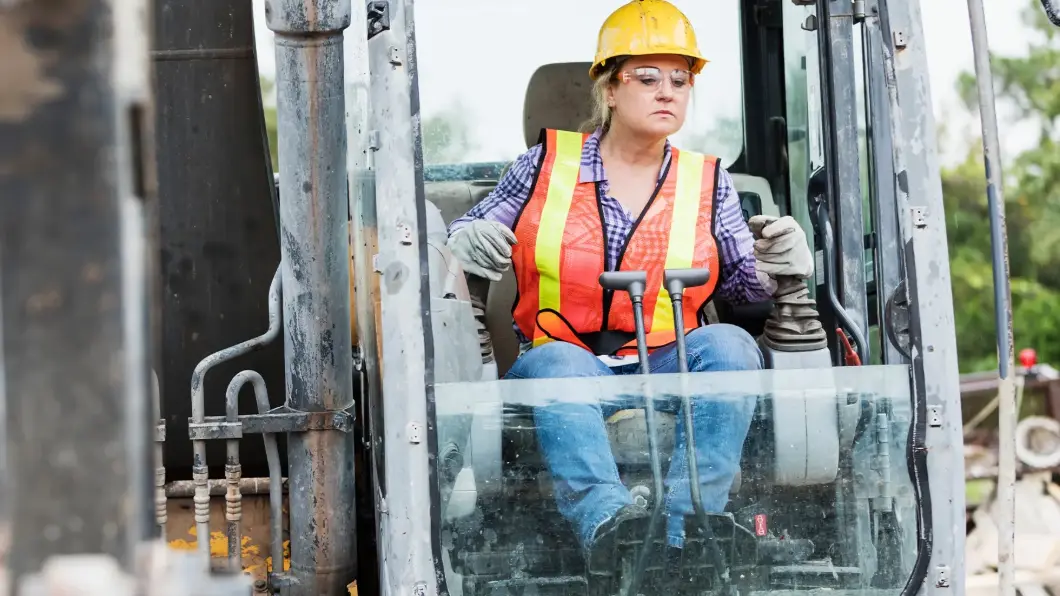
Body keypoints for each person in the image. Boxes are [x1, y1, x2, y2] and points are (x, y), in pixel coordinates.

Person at [445, 0, 814, 565]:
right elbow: (472, 232)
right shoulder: (544, 166)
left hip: (671, 360)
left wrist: (779, 263)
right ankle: (611, 528)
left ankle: (691, 528)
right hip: (566, 357)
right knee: (559, 366)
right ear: (609, 90)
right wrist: (463, 239)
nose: (667, 91)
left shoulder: (708, 182)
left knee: (731, 345)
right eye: (647, 78)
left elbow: (745, 295)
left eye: (680, 79)